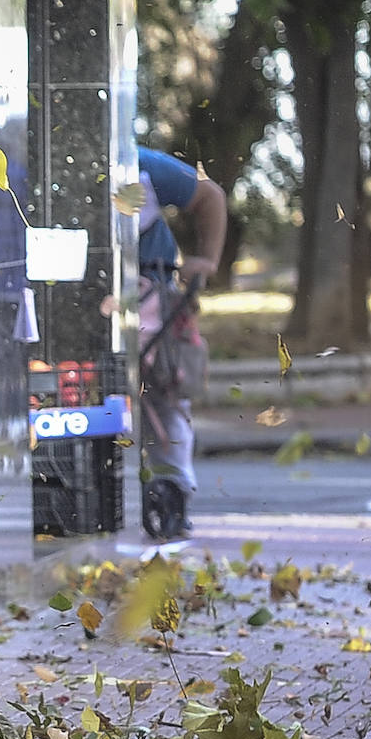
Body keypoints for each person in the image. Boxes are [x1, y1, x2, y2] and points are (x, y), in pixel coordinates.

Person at [136, 146, 227, 540]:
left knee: (165, 391)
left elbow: (210, 196)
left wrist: (206, 259)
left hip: (151, 297)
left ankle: (172, 489)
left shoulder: (140, 165)